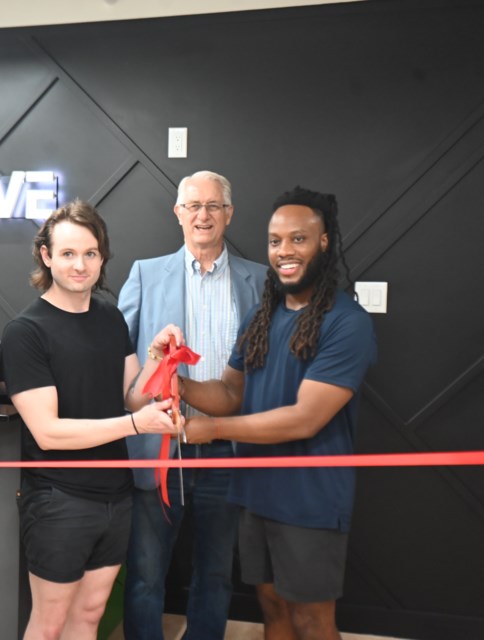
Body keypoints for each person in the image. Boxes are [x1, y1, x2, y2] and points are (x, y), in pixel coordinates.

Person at [180, 186, 377, 640]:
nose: (283, 251)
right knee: (273, 611)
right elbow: (231, 391)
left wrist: (212, 430)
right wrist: (177, 383)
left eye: (298, 239)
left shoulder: (348, 323)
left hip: (310, 500)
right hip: (255, 492)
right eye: (274, 240)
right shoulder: (261, 315)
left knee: (312, 620)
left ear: (323, 241)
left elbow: (305, 418)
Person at [1, 200, 182, 640]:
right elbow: (48, 432)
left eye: (90, 253)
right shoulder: (26, 332)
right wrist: (135, 426)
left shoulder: (110, 316)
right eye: (67, 254)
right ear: (46, 256)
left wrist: (157, 359)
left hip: (115, 495)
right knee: (50, 623)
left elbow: (133, 395)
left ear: (102, 257)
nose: (79, 265)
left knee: (91, 614)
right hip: (58, 498)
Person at [118, 170, 266, 639]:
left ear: (229, 214)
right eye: (193, 206)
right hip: (162, 447)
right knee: (145, 575)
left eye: (213, 206)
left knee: (217, 573)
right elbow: (122, 359)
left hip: (228, 448)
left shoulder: (259, 281)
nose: (203, 215)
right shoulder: (145, 273)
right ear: (178, 213)